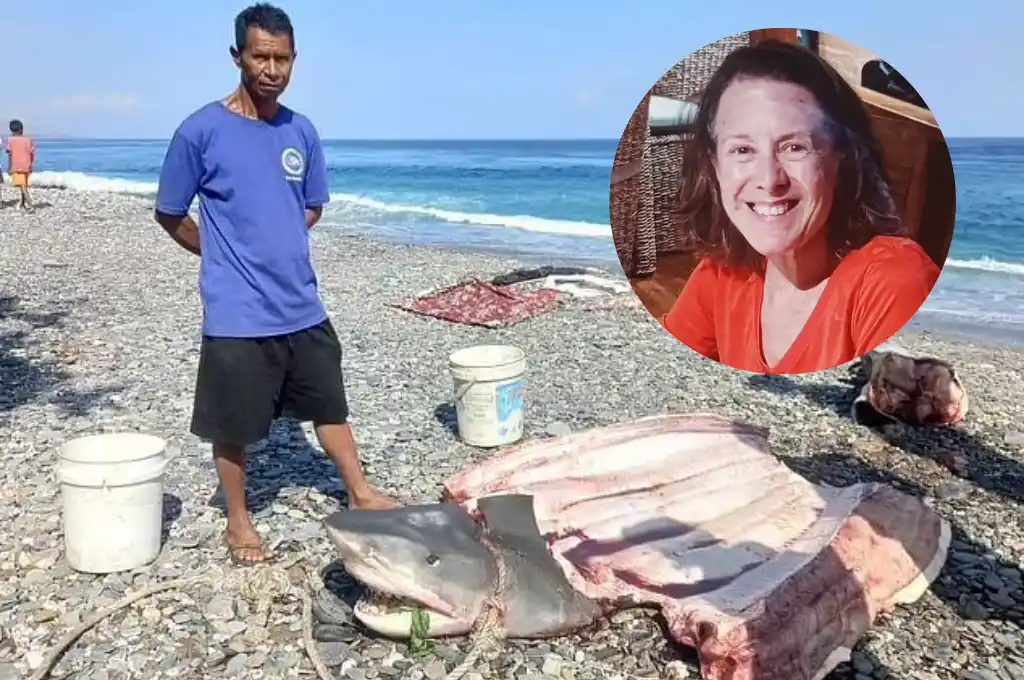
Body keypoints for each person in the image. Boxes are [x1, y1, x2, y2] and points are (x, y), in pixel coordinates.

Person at [154, 3, 399, 566]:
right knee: (232, 421)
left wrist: (277, 241)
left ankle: (359, 491)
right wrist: (221, 252)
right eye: (260, 56)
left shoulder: (301, 131)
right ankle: (238, 521)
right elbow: (170, 211)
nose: (271, 69)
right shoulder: (200, 131)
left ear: (294, 60)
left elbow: (309, 207)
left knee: (329, 403)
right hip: (236, 311)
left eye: (282, 58)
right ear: (237, 55)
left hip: (302, 303)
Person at [661, 40, 940, 374]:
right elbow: (666, 372)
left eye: (795, 147)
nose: (769, 179)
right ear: (716, 166)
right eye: (742, 150)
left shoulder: (893, 281)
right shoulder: (721, 274)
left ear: (842, 158)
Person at [6, 119, 35, 212]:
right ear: (21, 129)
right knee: (24, 185)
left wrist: (9, 167)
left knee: (22, 186)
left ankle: (30, 204)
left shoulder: (11, 140)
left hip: (17, 166)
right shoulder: (28, 140)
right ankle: (22, 203)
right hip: (27, 165)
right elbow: (32, 153)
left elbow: (9, 154)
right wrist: (31, 165)